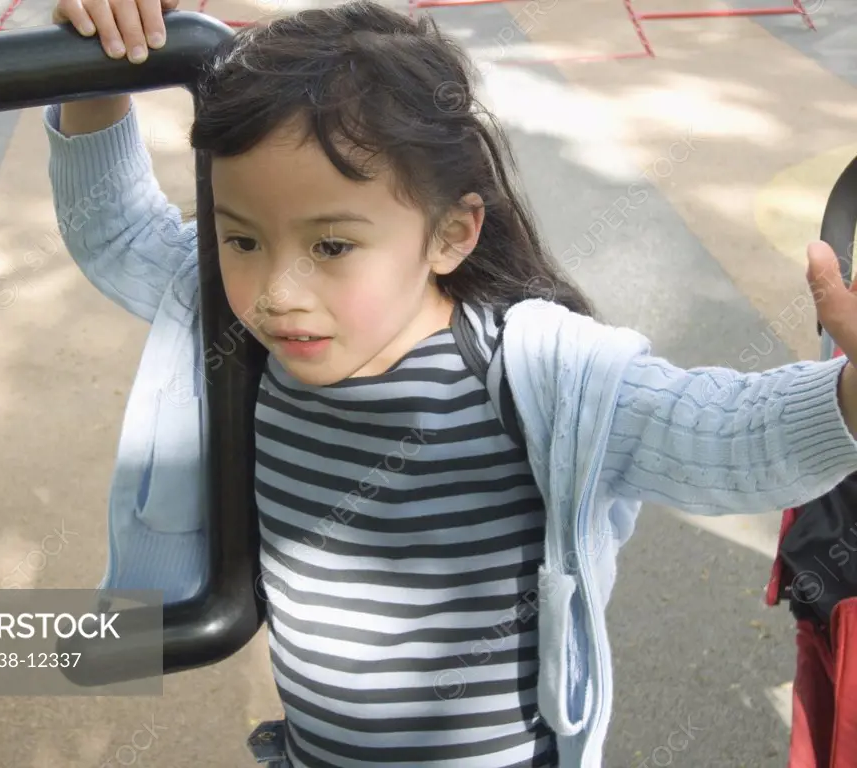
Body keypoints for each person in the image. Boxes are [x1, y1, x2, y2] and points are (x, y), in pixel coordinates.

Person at [46, 0, 857, 765]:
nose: (277, 289)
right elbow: (115, 230)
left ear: (451, 233)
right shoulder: (246, 338)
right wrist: (100, 62)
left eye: (331, 247)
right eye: (240, 237)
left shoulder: (535, 374)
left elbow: (732, 440)